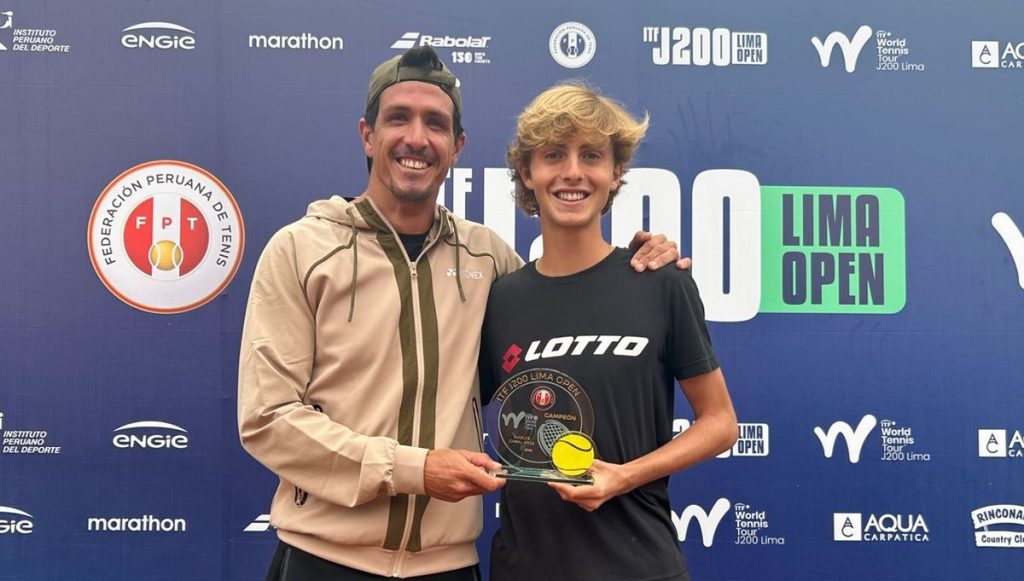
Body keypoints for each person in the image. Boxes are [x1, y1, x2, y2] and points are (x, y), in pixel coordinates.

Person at [237, 47, 688, 580]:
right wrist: (415, 468)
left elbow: (570, 305)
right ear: (367, 135)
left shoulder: (489, 258)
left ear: (457, 147)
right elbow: (267, 419)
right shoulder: (300, 250)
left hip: (449, 566)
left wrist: (642, 262)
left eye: (436, 124)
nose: (417, 138)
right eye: (398, 118)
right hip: (324, 559)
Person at [479, 82, 738, 581]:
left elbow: (721, 423)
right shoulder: (499, 300)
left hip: (640, 566)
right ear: (527, 173)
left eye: (592, 155)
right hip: (524, 568)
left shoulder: (659, 281)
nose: (573, 172)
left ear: (616, 173)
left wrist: (623, 477)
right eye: (553, 154)